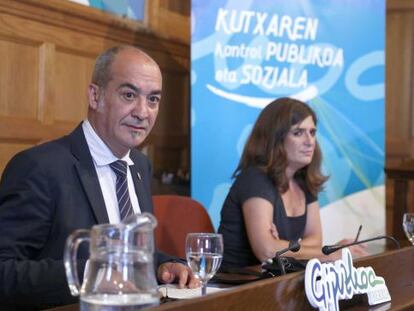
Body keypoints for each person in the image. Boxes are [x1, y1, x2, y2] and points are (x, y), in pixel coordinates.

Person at [0, 45, 198, 310]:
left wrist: (163, 264)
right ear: (95, 96)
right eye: (129, 95)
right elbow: (4, 272)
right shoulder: (39, 167)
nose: (143, 112)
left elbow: (128, 255)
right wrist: (94, 275)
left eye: (153, 99)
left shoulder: (139, 165)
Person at [218, 97, 367, 268]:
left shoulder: (304, 180)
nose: (310, 141)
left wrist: (280, 245)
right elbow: (266, 250)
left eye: (312, 132)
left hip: (274, 282)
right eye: (298, 133)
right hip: (232, 286)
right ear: (274, 139)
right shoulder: (255, 179)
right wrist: (330, 252)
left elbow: (316, 241)